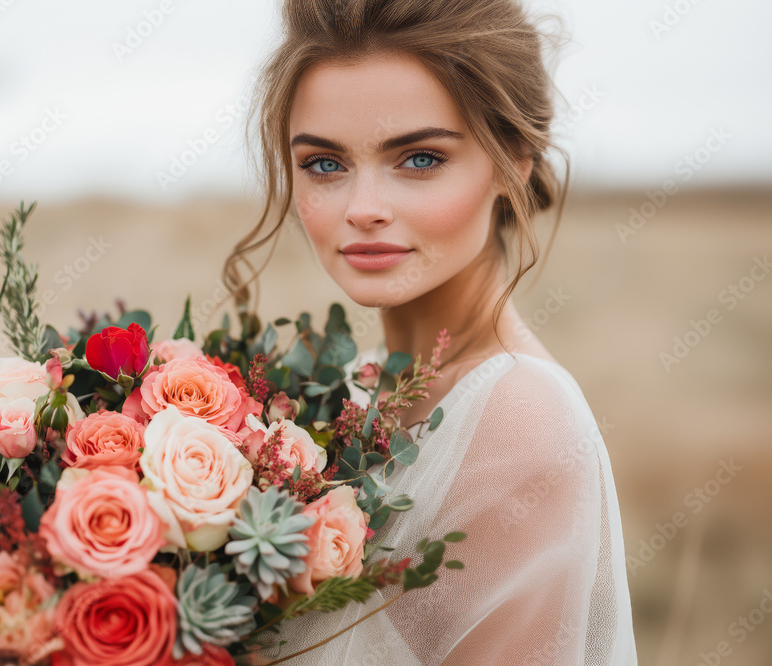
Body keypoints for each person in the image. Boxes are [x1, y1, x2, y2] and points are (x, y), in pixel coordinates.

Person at [220, 0, 638, 663]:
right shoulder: (348, 395)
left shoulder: (521, 421)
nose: (363, 210)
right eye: (325, 164)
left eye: (418, 159)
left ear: (513, 161)